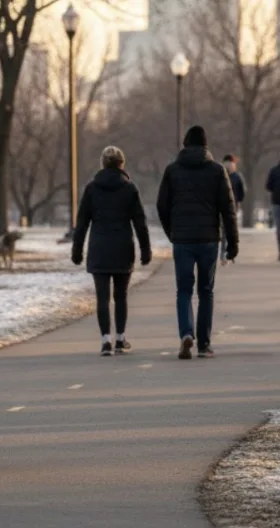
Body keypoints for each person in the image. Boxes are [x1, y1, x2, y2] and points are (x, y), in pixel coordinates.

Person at [157, 125, 238, 360]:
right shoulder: (217, 170)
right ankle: (204, 345)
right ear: (205, 145)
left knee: (183, 290)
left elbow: (162, 205)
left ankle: (186, 333)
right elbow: (228, 209)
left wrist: (172, 232)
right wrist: (232, 243)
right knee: (206, 291)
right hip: (209, 239)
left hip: (182, 239)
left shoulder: (172, 171)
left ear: (185, 144)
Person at [72, 146, 152, 357]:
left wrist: (77, 249)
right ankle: (120, 339)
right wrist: (145, 249)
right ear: (121, 164)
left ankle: (105, 340)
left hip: (99, 247)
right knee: (121, 296)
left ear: (102, 163)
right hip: (122, 247)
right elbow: (140, 222)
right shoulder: (129, 188)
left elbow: (82, 222)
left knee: (102, 297)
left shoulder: (92, 188)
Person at [220, 154, 247, 266]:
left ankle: (230, 253)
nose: (231, 166)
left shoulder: (237, 177)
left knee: (231, 231)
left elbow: (243, 191)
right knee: (224, 231)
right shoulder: (220, 175)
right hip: (221, 206)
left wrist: (239, 201)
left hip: (233, 206)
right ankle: (223, 254)